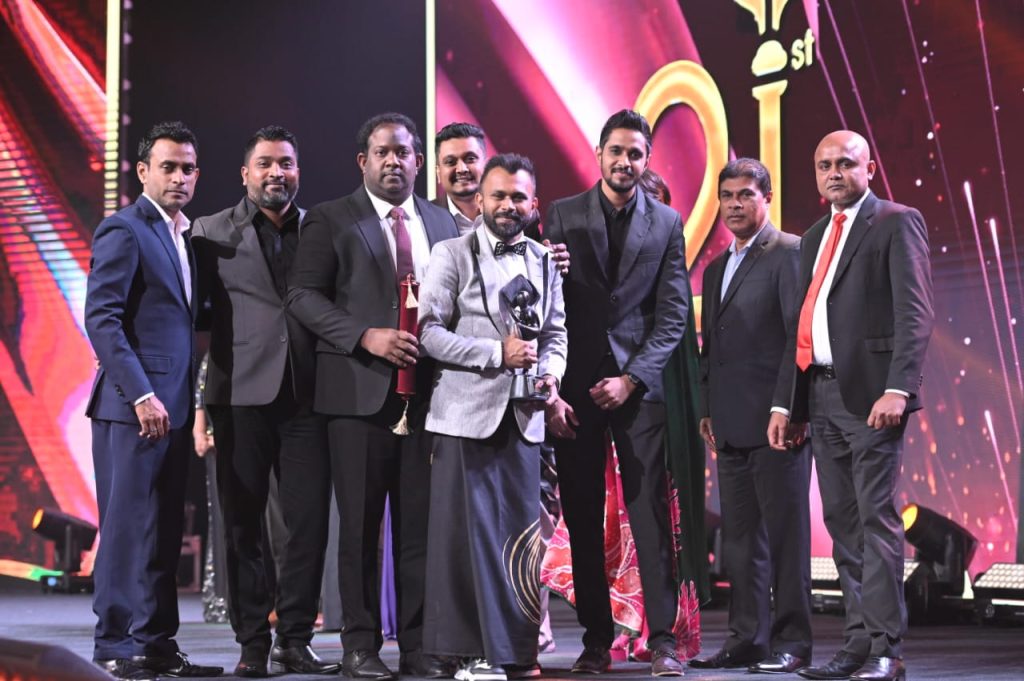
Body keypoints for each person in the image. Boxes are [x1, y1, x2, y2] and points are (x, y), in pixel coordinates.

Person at [286, 112, 458, 681]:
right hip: (357, 398)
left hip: (430, 399)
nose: (393, 162)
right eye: (382, 152)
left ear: (419, 162)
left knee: (419, 531)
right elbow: (302, 297)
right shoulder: (332, 218)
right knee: (360, 531)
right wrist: (364, 335)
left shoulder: (441, 221)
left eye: (403, 152)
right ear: (363, 161)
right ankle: (359, 647)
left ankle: (418, 647)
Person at [768, 131, 934, 681]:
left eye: (845, 163)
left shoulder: (895, 222)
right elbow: (802, 324)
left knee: (874, 518)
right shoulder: (815, 236)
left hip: (871, 396)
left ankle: (887, 648)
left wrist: (899, 388)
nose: (834, 173)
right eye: (824, 165)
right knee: (841, 522)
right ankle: (858, 643)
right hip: (820, 393)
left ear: (870, 168)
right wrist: (786, 404)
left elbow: (914, 313)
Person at [543, 109, 689, 677]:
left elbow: (673, 315)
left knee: (649, 515)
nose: (625, 161)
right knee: (582, 516)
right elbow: (547, 302)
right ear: (599, 154)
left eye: (635, 154)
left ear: (647, 160)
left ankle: (664, 641)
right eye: (617, 151)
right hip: (576, 388)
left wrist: (632, 379)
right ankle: (596, 641)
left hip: (637, 390)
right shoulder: (563, 214)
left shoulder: (667, 222)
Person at [191, 126, 336, 677]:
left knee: (308, 526)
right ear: (245, 173)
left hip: (308, 396)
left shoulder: (322, 230)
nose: (277, 172)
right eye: (266, 163)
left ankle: (295, 638)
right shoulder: (208, 232)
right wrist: (197, 402)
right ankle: (252, 642)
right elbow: (189, 314)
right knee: (242, 525)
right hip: (238, 397)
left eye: (287, 163)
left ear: (299, 171)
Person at [419, 153, 567, 681]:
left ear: (534, 204)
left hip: (524, 422)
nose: (508, 205)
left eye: (518, 197)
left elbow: (555, 333)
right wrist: (494, 353)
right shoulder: (450, 253)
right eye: (499, 195)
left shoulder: (544, 260)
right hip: (463, 418)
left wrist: (551, 376)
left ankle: (516, 652)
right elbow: (429, 332)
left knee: (519, 543)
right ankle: (461, 653)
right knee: (463, 542)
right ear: (480, 200)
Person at [85, 121, 221, 680]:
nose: (179, 177)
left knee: (163, 530)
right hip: (131, 408)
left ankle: (156, 644)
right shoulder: (124, 229)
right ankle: (115, 646)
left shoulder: (186, 237)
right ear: (143, 171)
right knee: (125, 529)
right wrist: (141, 394)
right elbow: (102, 319)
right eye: (168, 167)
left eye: (188, 168)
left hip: (175, 407)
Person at [690, 158, 812, 673]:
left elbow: (796, 339)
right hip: (730, 423)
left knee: (785, 540)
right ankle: (747, 638)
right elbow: (711, 347)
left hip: (777, 423)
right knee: (740, 543)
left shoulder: (789, 252)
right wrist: (707, 407)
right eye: (727, 196)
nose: (734, 205)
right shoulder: (717, 267)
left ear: (767, 198)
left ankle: (793, 642)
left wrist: (788, 406)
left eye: (745, 195)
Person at [433, 122, 488, 235]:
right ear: (438, 172)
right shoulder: (422, 219)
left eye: (470, 159)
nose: (462, 169)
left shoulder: (509, 212)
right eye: (450, 162)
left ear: (487, 166)